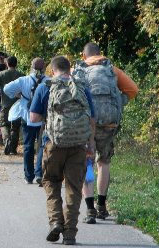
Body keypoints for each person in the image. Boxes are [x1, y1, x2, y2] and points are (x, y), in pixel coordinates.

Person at [30, 55, 95, 245]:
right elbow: (91, 119)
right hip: (78, 146)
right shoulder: (81, 87)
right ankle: (69, 234)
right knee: (74, 189)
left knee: (50, 181)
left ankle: (56, 221)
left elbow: (33, 118)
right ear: (69, 69)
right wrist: (90, 143)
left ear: (52, 70)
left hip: (53, 144)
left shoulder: (46, 86)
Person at [77, 42, 139, 224]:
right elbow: (133, 90)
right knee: (103, 163)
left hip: (87, 124)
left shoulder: (78, 71)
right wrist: (119, 102)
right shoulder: (112, 70)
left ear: (84, 55)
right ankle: (102, 207)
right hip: (109, 124)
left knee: (87, 163)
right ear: (100, 54)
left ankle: (89, 210)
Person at [4, 57, 48, 184]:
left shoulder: (24, 80)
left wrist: (19, 95)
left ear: (31, 67)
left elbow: (7, 89)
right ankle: (39, 172)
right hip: (42, 118)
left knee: (28, 146)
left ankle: (29, 176)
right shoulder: (48, 81)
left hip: (27, 116)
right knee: (41, 146)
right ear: (44, 68)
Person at [0, 56, 23, 155]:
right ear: (16, 64)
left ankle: (7, 140)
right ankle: (13, 148)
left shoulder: (1, 74)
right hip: (17, 104)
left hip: (5, 104)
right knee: (15, 126)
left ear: (7, 64)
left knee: (3, 124)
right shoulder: (21, 75)